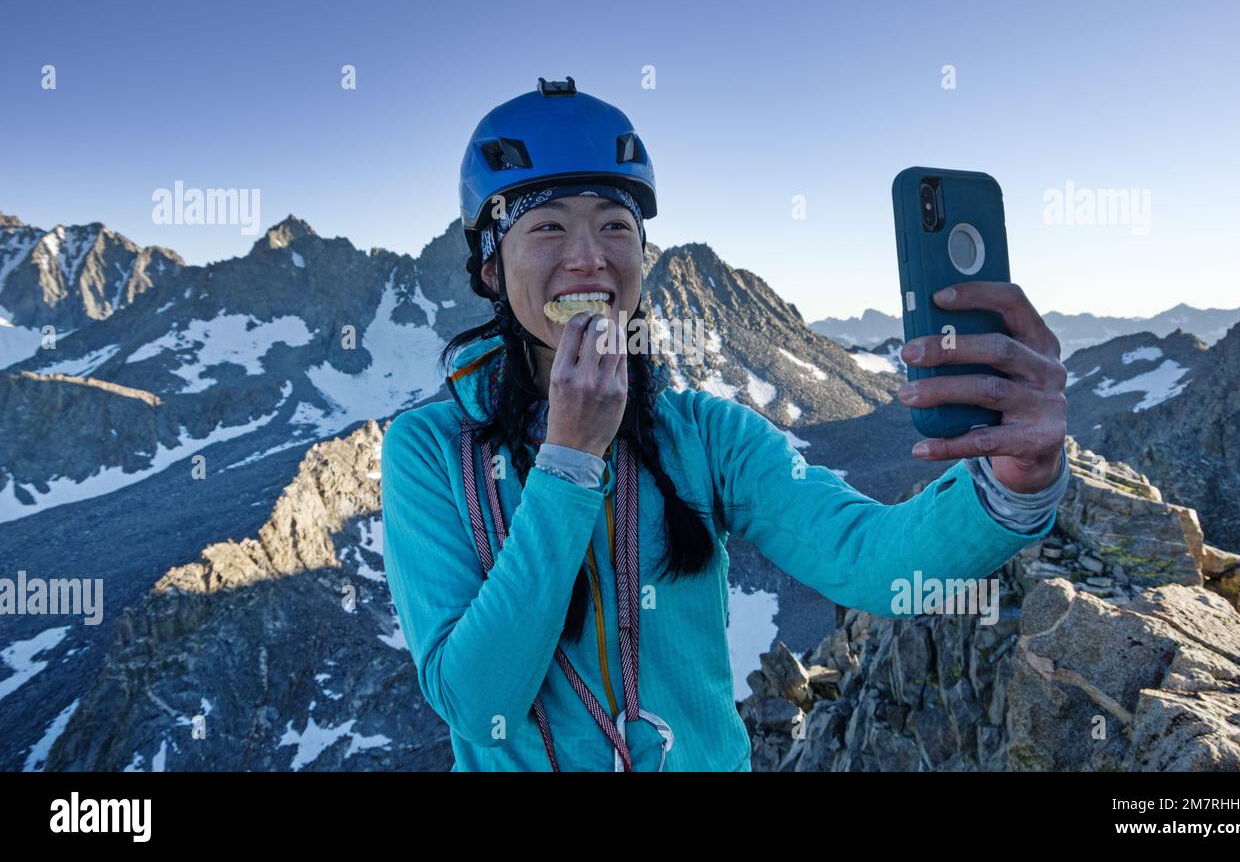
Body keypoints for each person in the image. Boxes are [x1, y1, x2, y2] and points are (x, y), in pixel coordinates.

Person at [381, 76, 1070, 771]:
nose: (590, 256)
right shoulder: (431, 451)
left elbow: (873, 562)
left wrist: (1012, 485)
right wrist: (570, 460)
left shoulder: (704, 434)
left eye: (616, 226)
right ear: (491, 270)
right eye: (549, 225)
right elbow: (476, 704)